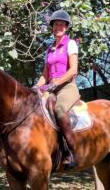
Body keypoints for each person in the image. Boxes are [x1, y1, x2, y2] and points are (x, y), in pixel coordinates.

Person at [35, 9, 80, 169]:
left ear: (66, 27)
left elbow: (73, 70)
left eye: (62, 24)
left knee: (60, 110)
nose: (59, 27)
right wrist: (35, 87)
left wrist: (56, 83)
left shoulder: (71, 43)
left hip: (67, 87)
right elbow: (44, 76)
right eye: (56, 24)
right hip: (51, 88)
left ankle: (73, 152)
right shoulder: (49, 49)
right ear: (52, 28)